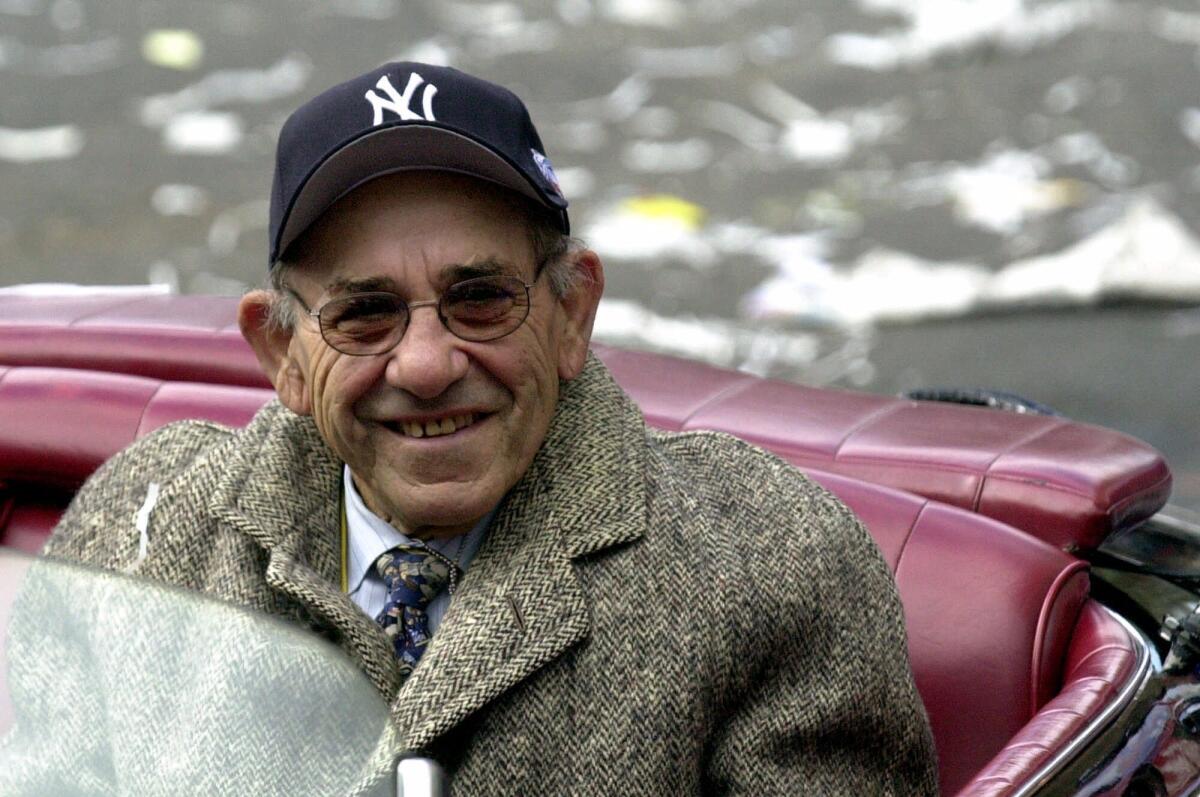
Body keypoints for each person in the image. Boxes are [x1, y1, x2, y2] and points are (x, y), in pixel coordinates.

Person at [21, 61, 938, 793]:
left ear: (573, 312)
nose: (425, 364)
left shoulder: (771, 563)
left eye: (480, 298)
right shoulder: (139, 531)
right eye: (365, 314)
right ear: (284, 355)